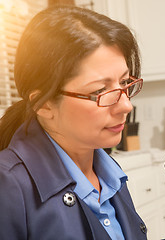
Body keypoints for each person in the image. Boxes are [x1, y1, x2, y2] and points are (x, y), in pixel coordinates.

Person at [0, 5, 147, 240]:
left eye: (124, 83)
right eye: (100, 90)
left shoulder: (109, 173)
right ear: (43, 104)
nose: (126, 106)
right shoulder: (8, 185)